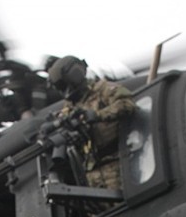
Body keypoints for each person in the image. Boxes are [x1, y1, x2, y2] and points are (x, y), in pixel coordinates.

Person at [47, 55, 135, 191]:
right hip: (91, 172)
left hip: (116, 163)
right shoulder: (69, 106)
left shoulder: (104, 89)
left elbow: (127, 104)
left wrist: (98, 115)